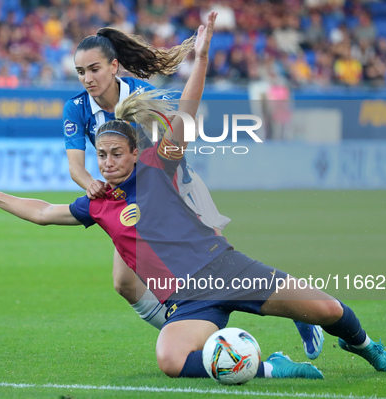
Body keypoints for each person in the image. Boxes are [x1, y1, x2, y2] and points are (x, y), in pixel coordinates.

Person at [0, 11, 386, 379]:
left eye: (94, 68)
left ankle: (361, 342)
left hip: (205, 235)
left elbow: (185, 115)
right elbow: (44, 209)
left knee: (323, 307)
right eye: (102, 155)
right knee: (162, 347)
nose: (107, 161)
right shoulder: (96, 185)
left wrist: (202, 58)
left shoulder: (152, 156)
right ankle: (271, 366)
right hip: (186, 293)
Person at [64, 11, 323, 361]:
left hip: (173, 190)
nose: (87, 79)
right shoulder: (76, 107)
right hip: (128, 200)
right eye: (81, 72)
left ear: (113, 66)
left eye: (94, 69)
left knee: (219, 257)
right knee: (124, 284)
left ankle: (301, 311)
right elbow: (75, 166)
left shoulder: (142, 95)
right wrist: (91, 183)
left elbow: (168, 150)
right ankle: (186, 325)